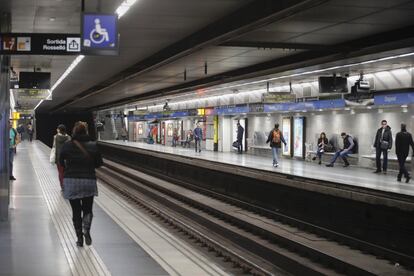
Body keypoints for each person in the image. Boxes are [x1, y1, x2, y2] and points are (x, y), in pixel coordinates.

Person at [59, 122, 103, 247]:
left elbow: (61, 161)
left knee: (76, 211)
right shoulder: (93, 145)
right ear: (86, 132)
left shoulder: (67, 145)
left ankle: (79, 239)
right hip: (88, 180)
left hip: (72, 181)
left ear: (74, 132)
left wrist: (69, 166)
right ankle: (86, 229)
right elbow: (99, 163)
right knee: (88, 209)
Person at [51, 124, 71, 190]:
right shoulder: (69, 138)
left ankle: (63, 186)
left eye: (57, 129)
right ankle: (68, 185)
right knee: (67, 172)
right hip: (68, 158)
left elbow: (54, 147)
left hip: (59, 158)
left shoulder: (55, 137)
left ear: (59, 130)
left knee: (60, 172)